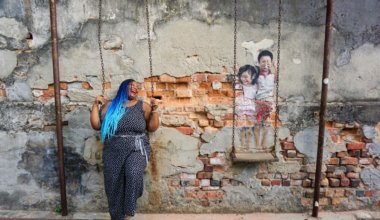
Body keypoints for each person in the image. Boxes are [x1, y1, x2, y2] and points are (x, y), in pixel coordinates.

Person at [90, 79, 160, 220]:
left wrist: (155, 110)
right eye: (131, 85)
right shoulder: (110, 106)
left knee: (133, 173)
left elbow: (152, 127)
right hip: (113, 149)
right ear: (123, 87)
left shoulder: (143, 106)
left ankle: (128, 214)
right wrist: (95, 105)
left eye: (137, 87)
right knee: (113, 183)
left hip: (137, 147)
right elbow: (96, 125)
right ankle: (117, 217)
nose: (135, 88)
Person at [254, 50, 277, 149]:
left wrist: (276, 67)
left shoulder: (272, 76)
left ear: (271, 63)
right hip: (259, 100)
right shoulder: (257, 76)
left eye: (268, 62)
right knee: (260, 116)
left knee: (266, 116)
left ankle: (263, 133)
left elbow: (277, 78)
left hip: (268, 100)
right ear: (259, 63)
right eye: (263, 61)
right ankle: (258, 130)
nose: (265, 64)